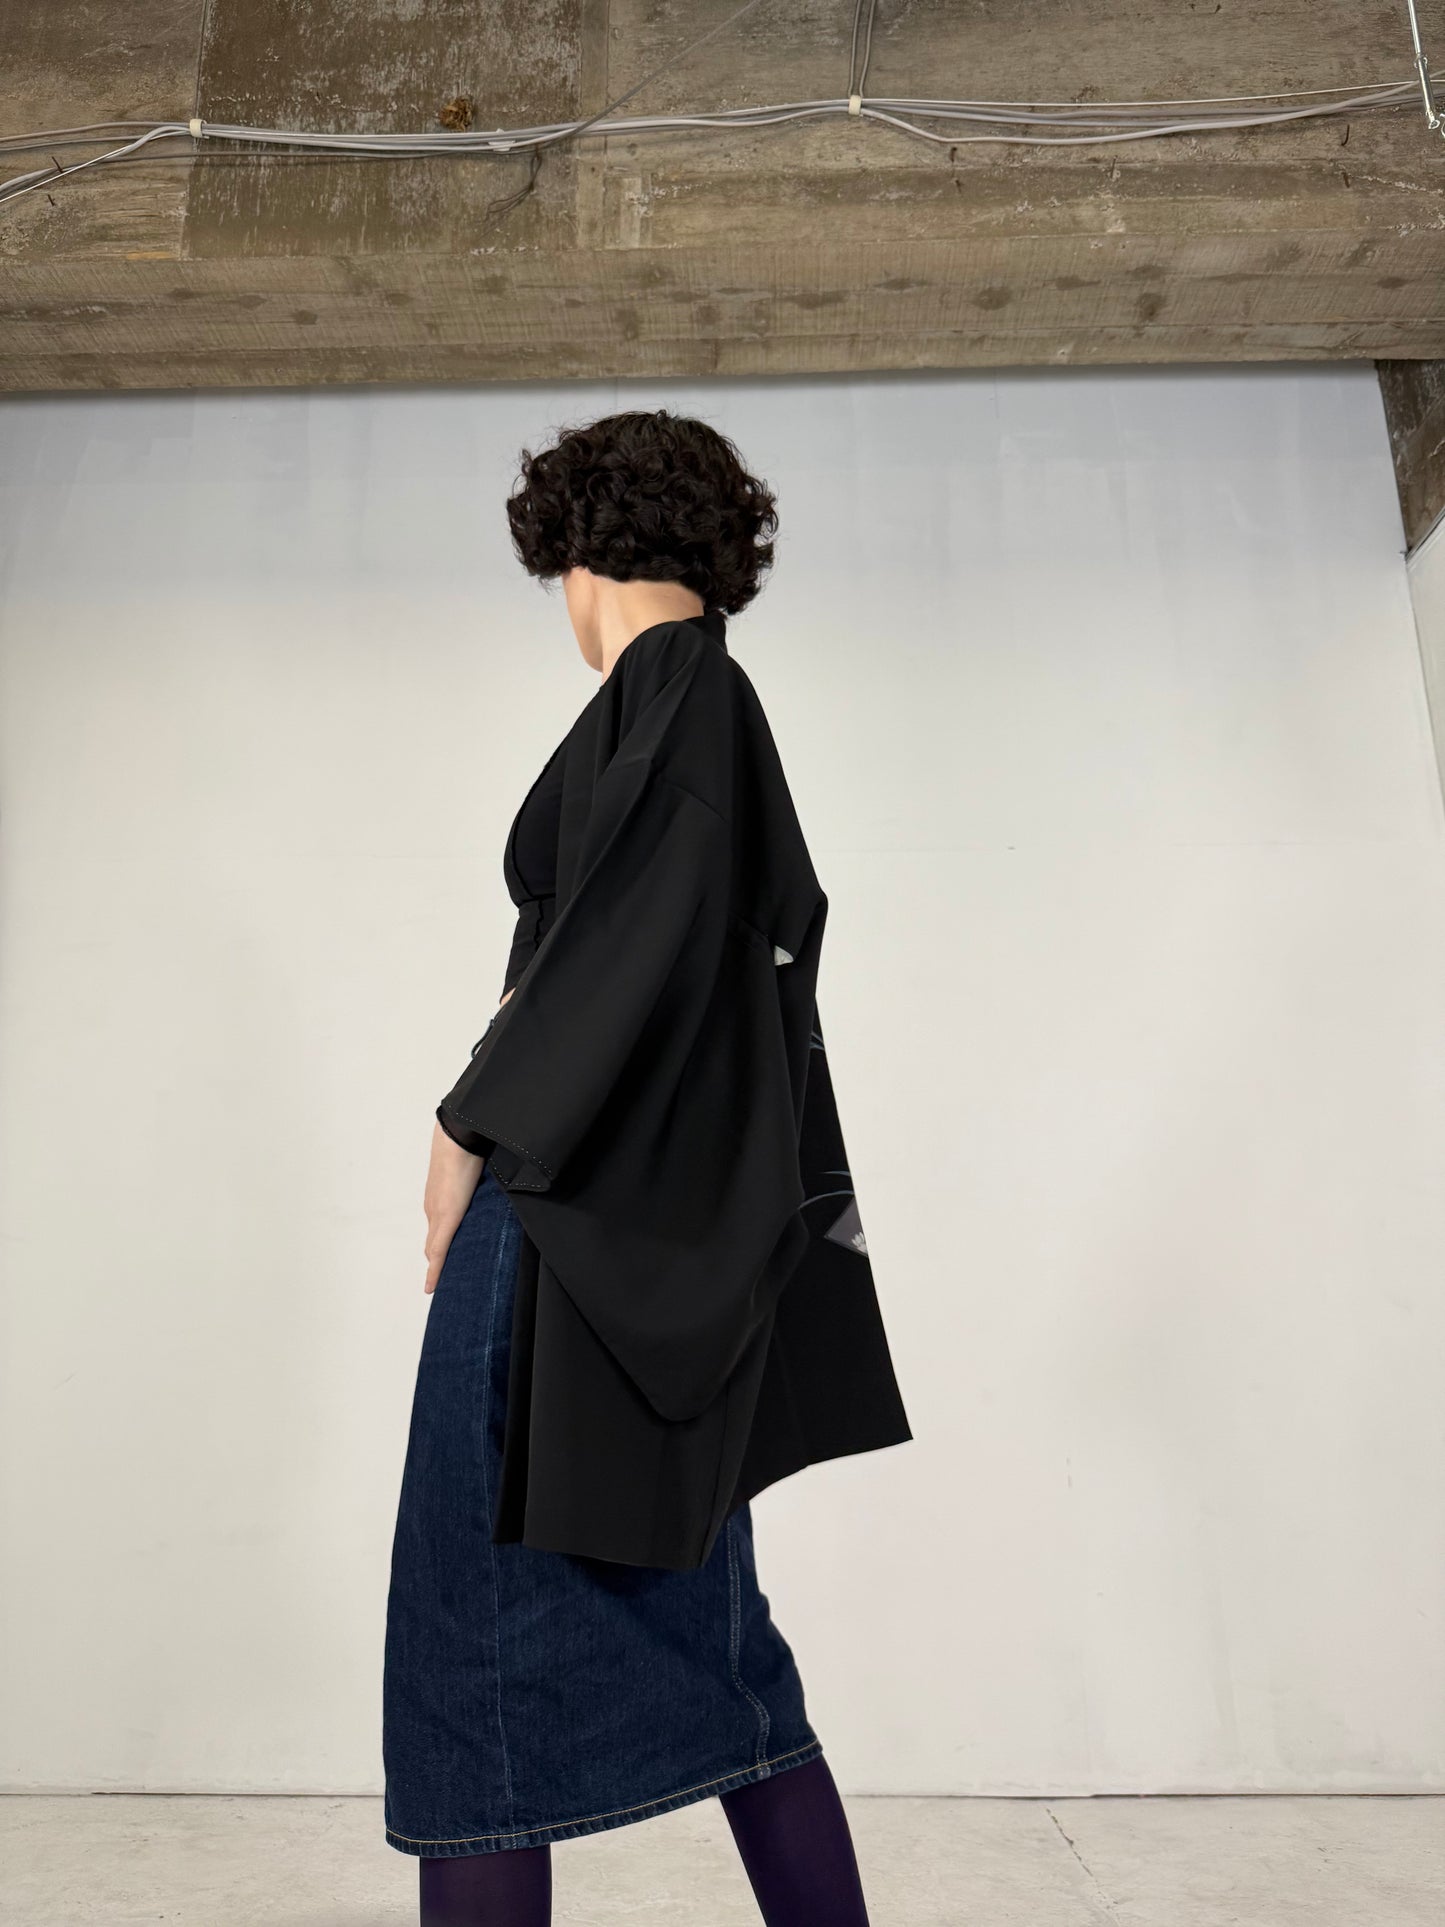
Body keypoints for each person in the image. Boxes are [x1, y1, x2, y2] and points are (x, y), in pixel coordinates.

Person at [382, 408, 911, 1925]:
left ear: (576, 552)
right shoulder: (694, 699)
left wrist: (466, 1117)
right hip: (638, 1246)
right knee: (719, 1653)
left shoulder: (677, 687)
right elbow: (649, 951)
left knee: (471, 1662)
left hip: (563, 1232)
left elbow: (634, 944)